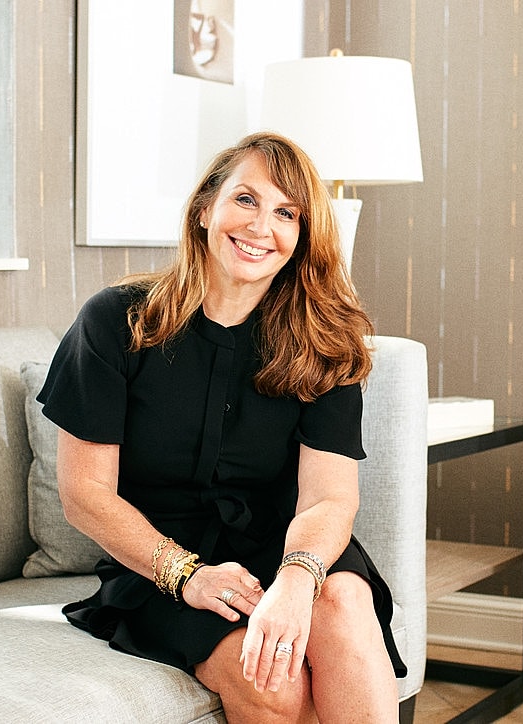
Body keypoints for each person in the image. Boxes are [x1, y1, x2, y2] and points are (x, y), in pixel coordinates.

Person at [37, 131, 405, 723]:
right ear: (205, 208)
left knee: (340, 600)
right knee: (274, 683)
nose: (262, 227)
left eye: (287, 213)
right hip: (160, 561)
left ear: (302, 238)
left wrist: (295, 580)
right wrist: (187, 575)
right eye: (246, 200)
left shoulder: (324, 340)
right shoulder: (115, 321)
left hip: (288, 545)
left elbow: (329, 498)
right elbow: (85, 495)